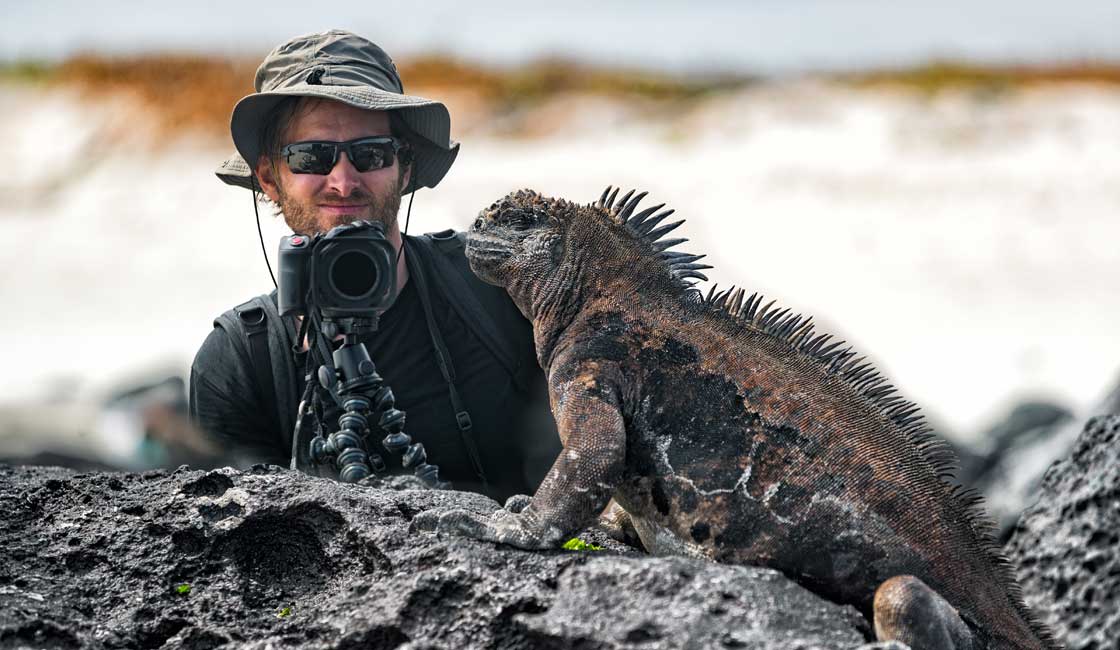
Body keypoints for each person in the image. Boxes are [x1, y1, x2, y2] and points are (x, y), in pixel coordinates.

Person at [190, 29, 560, 502]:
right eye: (311, 157)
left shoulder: (500, 287)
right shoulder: (241, 361)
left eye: (371, 154)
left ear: (405, 168)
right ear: (268, 177)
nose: (343, 182)